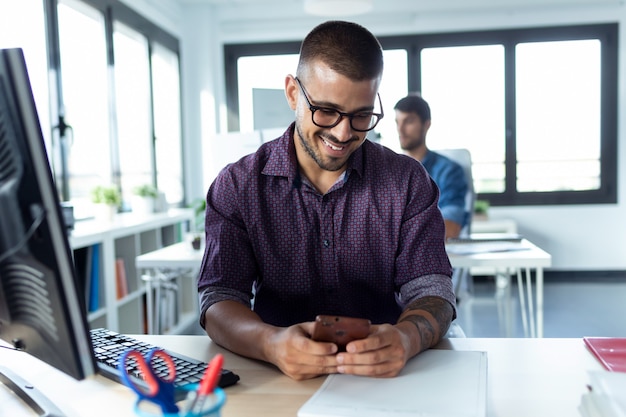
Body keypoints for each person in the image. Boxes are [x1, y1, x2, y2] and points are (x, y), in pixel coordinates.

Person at [197, 20, 456, 381]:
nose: (343, 133)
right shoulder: (238, 185)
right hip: (275, 376)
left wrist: (407, 338)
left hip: (386, 380)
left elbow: (434, 291)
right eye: (327, 110)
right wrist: (270, 343)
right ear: (292, 93)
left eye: (361, 115)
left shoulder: (408, 181)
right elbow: (219, 299)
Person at [394, 94, 469, 240]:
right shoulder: (389, 171)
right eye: (397, 122)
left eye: (408, 122)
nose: (400, 130)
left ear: (426, 124)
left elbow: (451, 228)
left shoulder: (449, 171)